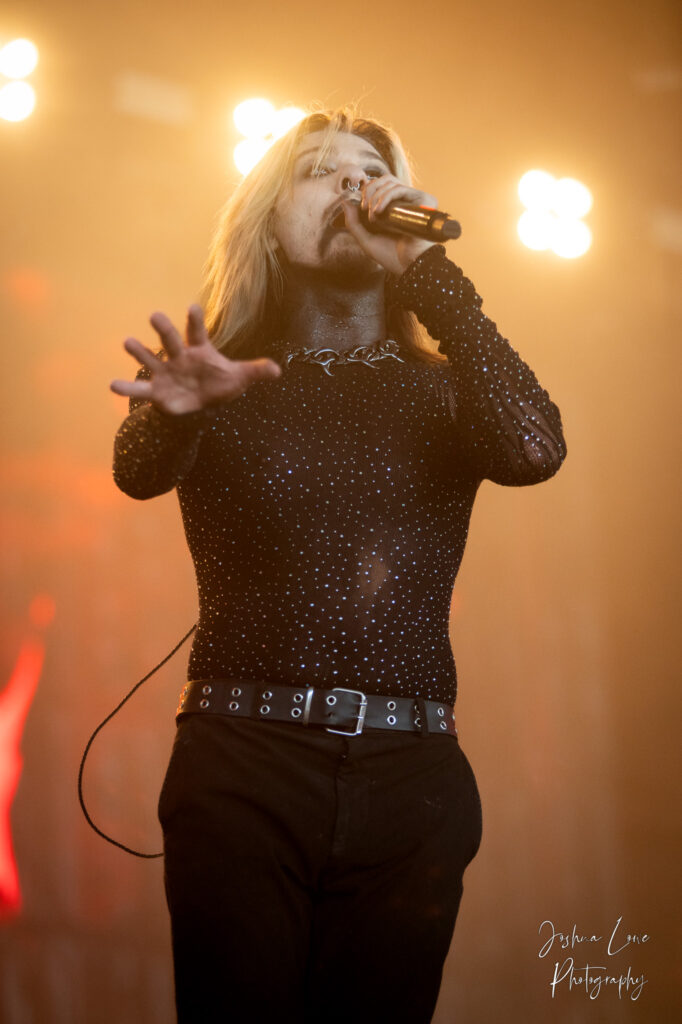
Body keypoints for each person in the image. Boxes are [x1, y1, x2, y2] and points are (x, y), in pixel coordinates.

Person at [111, 106, 566, 1024]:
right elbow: (137, 472)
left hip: (413, 781)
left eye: (370, 172)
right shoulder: (219, 374)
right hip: (244, 766)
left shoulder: (442, 390)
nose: (353, 186)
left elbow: (534, 449)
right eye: (320, 170)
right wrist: (176, 412)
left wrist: (431, 274)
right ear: (268, 225)